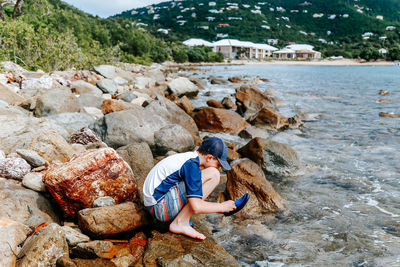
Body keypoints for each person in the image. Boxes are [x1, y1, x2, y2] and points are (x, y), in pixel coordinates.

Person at [143, 137, 237, 240]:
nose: (218, 168)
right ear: (209, 158)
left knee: (198, 183)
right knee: (214, 174)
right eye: (218, 164)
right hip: (159, 208)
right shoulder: (191, 165)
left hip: (153, 204)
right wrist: (221, 207)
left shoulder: (188, 158)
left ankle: (180, 219)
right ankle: (180, 223)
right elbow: (196, 207)